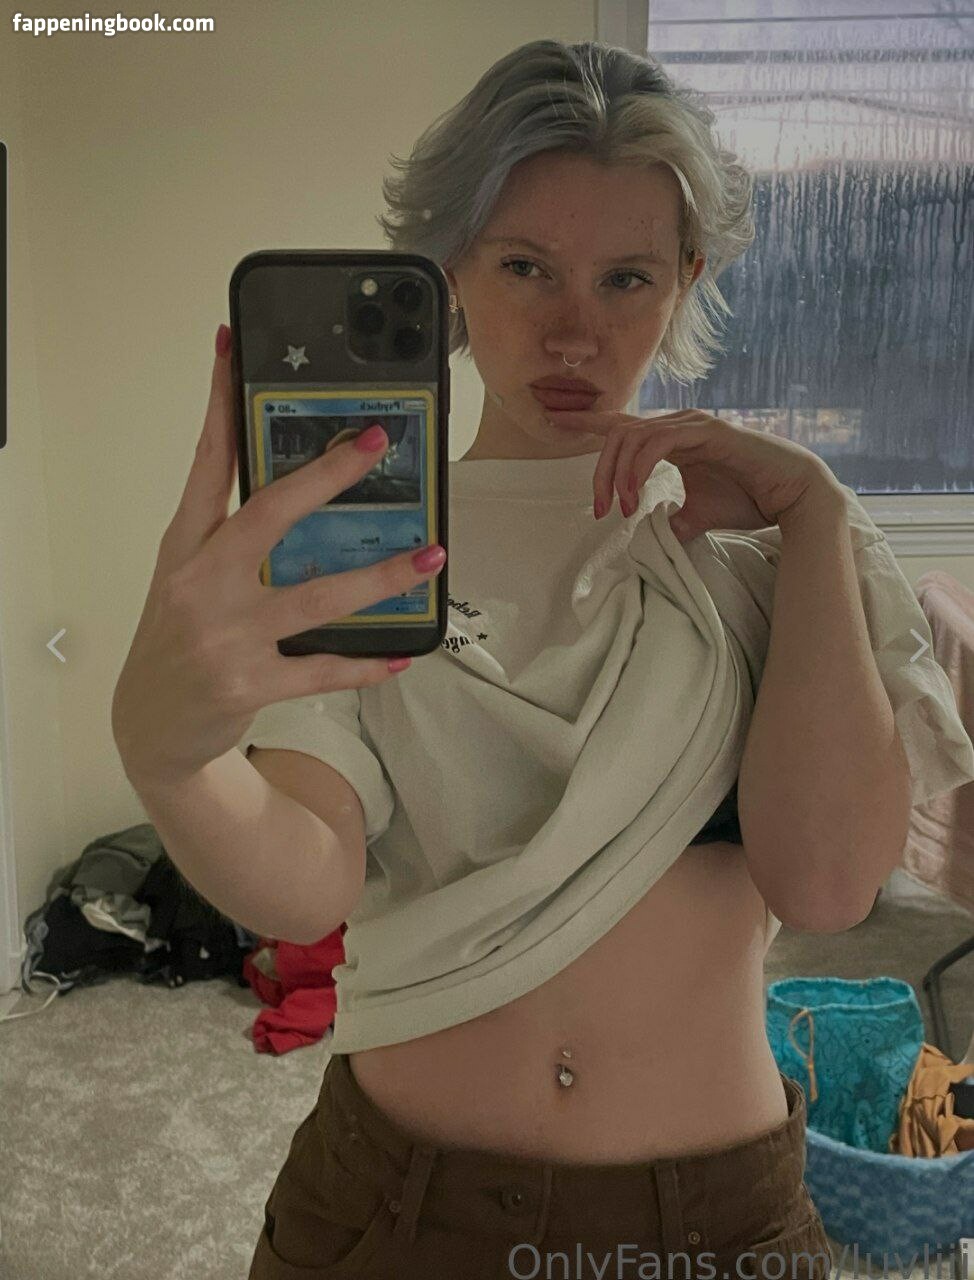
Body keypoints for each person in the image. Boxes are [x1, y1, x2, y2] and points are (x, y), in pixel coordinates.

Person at [112, 38, 974, 1280]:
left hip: (714, 1225)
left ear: (682, 280)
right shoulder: (369, 550)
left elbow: (829, 882)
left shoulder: (763, 546)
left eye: (625, 278)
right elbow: (308, 877)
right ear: (453, 267)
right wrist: (172, 757)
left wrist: (816, 518)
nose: (574, 330)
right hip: (395, 1210)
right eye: (525, 267)